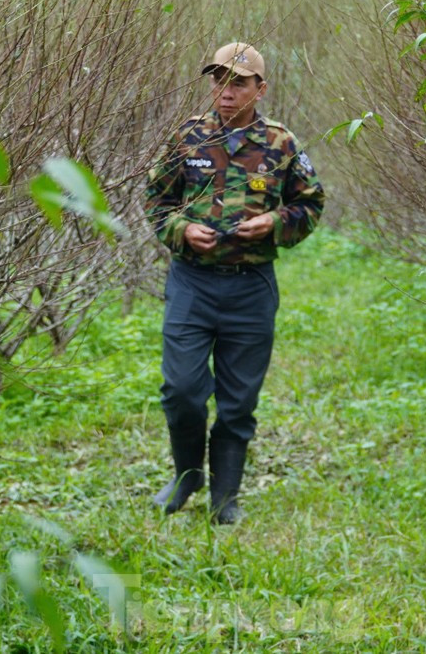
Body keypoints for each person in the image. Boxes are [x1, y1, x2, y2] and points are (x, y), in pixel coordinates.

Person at [143, 42, 326, 524]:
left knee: (237, 400)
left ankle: (226, 498)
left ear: (260, 89)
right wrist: (182, 230)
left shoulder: (281, 145)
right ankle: (187, 478)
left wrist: (274, 224)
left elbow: (310, 206)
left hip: (251, 287)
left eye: (238, 82)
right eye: (219, 80)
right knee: (181, 390)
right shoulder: (186, 139)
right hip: (192, 284)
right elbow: (156, 204)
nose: (226, 91)